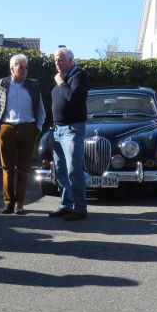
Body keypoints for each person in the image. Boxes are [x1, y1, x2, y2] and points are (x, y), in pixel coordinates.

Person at [0, 53, 45, 215]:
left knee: (24, 168)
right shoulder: (2, 84)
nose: (24, 70)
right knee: (7, 168)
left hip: (28, 129)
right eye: (20, 67)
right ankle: (8, 203)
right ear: (11, 68)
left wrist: (37, 128)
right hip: (7, 128)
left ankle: (19, 203)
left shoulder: (33, 85)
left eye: (26, 67)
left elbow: (41, 109)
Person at [48, 47, 89, 221]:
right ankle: (66, 205)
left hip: (72, 129)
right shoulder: (63, 77)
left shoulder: (78, 76)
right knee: (61, 170)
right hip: (57, 129)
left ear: (71, 60)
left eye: (61, 59)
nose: (57, 62)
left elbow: (73, 98)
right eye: (55, 59)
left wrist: (61, 83)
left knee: (73, 169)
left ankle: (80, 208)